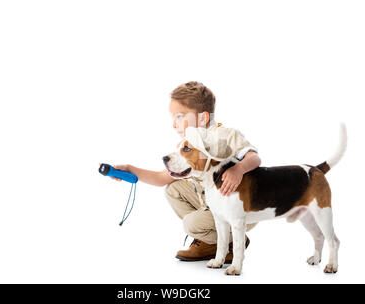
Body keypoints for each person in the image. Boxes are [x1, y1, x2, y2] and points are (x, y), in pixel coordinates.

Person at [108, 81, 261, 262]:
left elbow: (254, 158)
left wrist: (239, 169)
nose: (174, 124)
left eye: (179, 116)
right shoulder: (189, 144)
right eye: (173, 117)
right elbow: (161, 178)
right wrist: (130, 169)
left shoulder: (223, 135)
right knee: (173, 189)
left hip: (236, 206)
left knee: (191, 224)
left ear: (203, 118)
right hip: (213, 204)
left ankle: (232, 238)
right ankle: (211, 242)